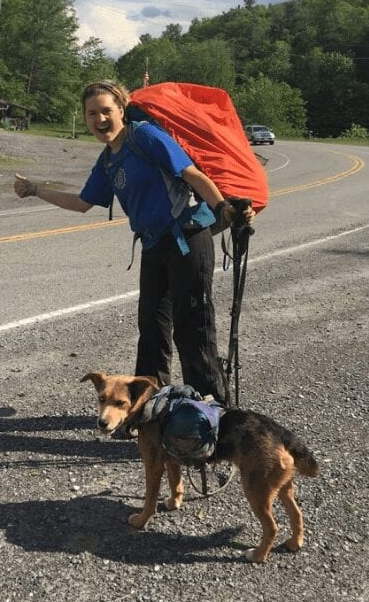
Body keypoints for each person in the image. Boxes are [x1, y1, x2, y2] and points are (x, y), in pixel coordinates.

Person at [14, 80, 255, 404]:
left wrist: (222, 208)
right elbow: (84, 202)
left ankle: (211, 415)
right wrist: (35, 190)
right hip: (153, 245)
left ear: (121, 110)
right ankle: (148, 407)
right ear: (85, 118)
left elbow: (191, 174)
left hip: (187, 238)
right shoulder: (108, 160)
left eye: (106, 111)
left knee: (192, 326)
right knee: (152, 330)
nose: (99, 119)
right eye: (91, 113)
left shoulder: (144, 136)